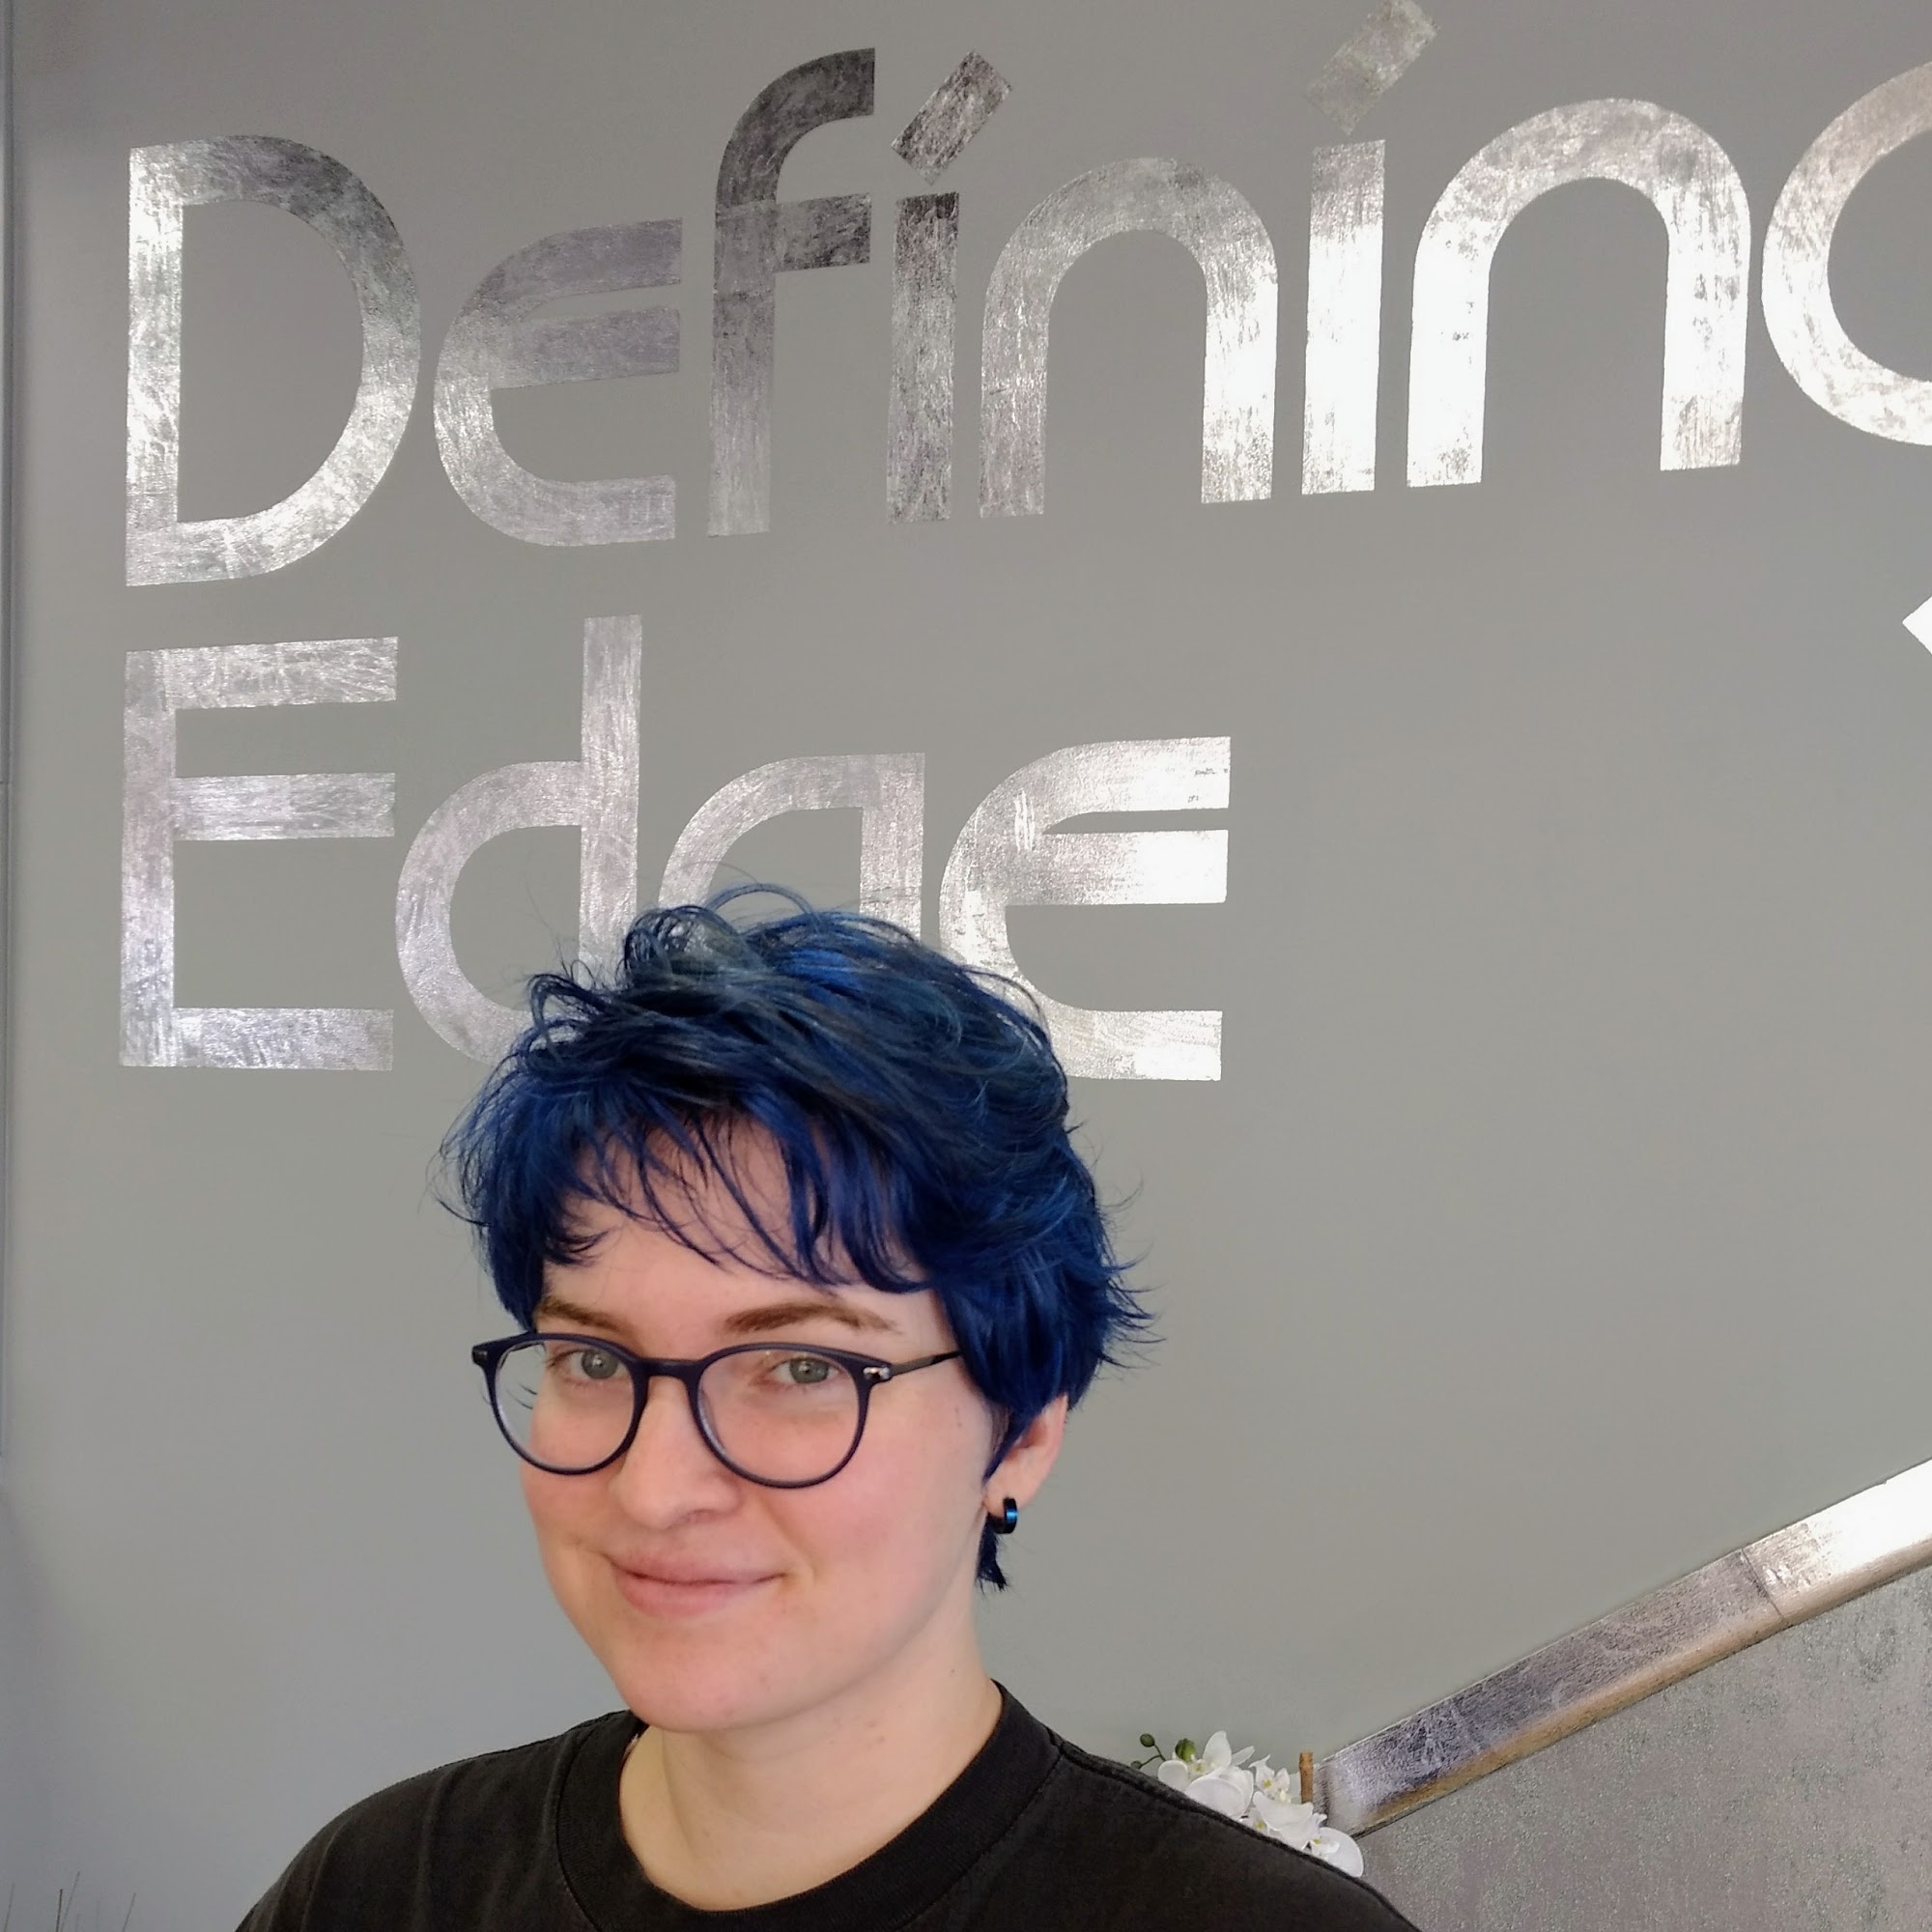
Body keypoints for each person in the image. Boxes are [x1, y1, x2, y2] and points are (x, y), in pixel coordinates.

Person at [240, 890, 1420, 1930]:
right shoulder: (384, 1886)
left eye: (802, 1368)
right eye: (593, 1358)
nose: (655, 1487)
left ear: (1021, 1429)